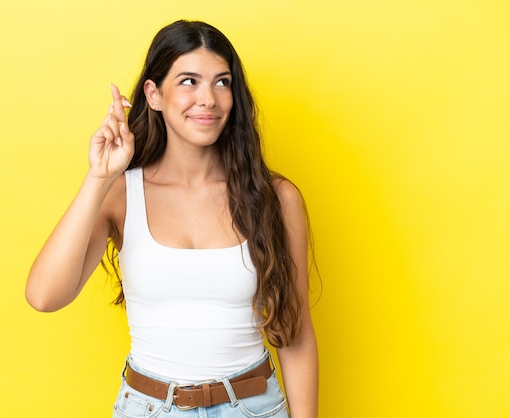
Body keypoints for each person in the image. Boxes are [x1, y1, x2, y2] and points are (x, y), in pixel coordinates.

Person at [26, 20, 318, 418]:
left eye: (222, 82)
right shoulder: (119, 196)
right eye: (188, 81)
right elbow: (44, 296)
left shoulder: (276, 198)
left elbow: (294, 334)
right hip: (149, 408)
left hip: (254, 408)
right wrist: (99, 178)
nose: (208, 99)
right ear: (154, 94)